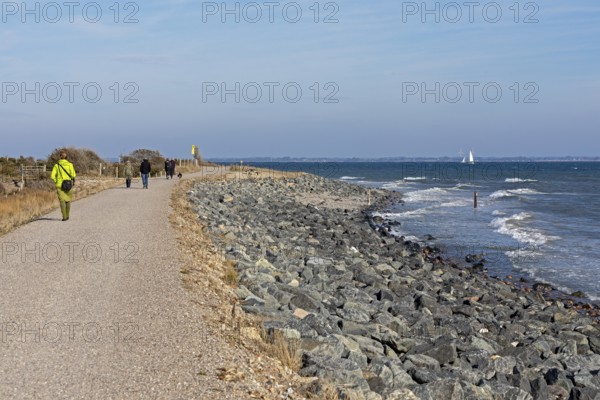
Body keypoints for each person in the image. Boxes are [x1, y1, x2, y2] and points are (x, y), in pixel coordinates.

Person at [50, 150, 76, 221]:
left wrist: (56, 181)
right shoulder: (70, 165)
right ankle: (67, 215)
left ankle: (64, 217)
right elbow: (73, 175)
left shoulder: (56, 165)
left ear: (60, 157)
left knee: (62, 201)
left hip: (60, 185)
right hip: (68, 185)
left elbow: (52, 176)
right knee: (68, 200)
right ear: (66, 157)